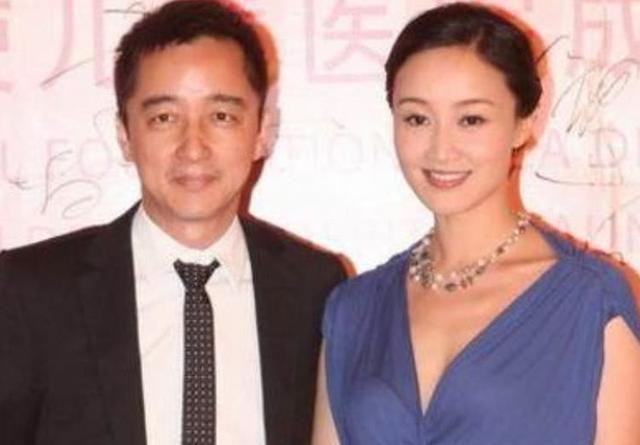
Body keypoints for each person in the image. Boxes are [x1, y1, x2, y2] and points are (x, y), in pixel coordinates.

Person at [0, 1, 346, 444]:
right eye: (164, 118)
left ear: (261, 131)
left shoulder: (317, 289)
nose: (193, 147)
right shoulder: (31, 292)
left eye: (221, 116)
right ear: (125, 134)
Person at [312, 3, 640, 445]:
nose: (441, 149)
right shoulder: (353, 309)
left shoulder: (592, 300)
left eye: (471, 120)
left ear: (524, 123)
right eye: (417, 119)